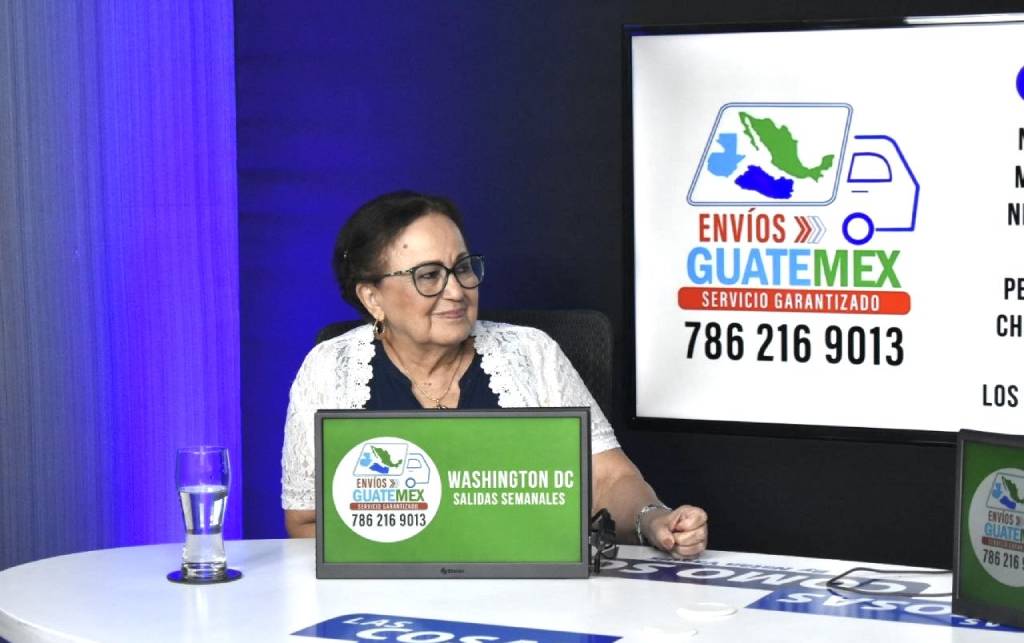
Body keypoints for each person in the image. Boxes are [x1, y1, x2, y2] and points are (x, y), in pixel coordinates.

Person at [281, 190, 708, 557]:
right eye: (428, 275)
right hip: (383, 598)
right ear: (373, 298)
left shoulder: (533, 353)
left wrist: (654, 520)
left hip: (526, 589)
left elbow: (609, 478)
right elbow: (306, 521)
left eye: (463, 267)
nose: (456, 290)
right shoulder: (329, 369)